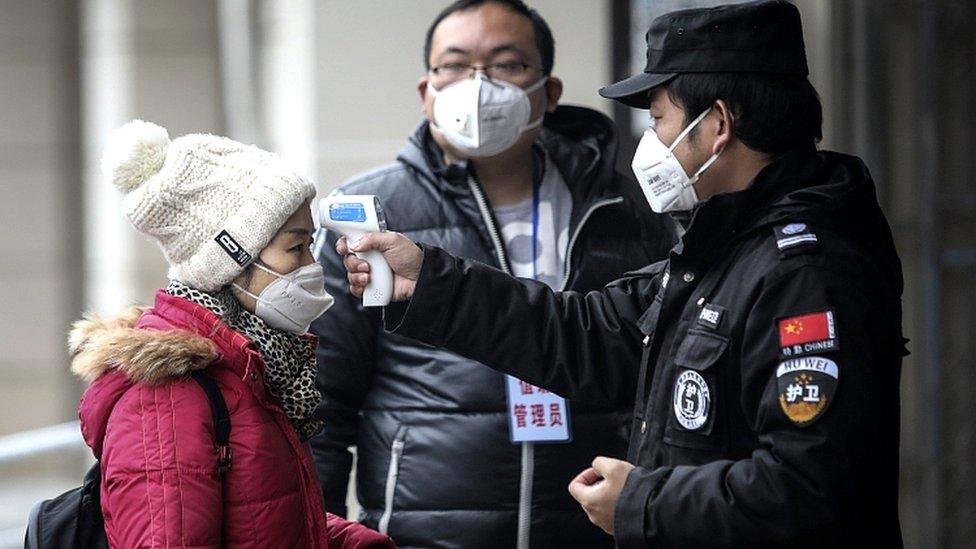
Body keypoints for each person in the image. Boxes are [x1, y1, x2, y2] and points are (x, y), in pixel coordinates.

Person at [335, 1, 907, 547]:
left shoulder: (804, 271)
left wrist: (641, 503)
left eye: (659, 118)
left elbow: (810, 489)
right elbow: (592, 334)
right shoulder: (722, 251)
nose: (649, 140)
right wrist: (429, 282)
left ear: (718, 126)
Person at [308, 1, 676, 547]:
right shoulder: (368, 213)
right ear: (425, 91)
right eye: (453, 66)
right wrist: (319, 534)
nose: (478, 85)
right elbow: (321, 403)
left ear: (549, 92)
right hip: (422, 533)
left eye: (507, 65)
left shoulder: (626, 208)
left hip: (593, 527)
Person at [71, 120, 395, 548]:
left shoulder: (249, 367)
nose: (312, 268)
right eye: (295, 248)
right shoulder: (167, 397)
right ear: (230, 260)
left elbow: (267, 516)